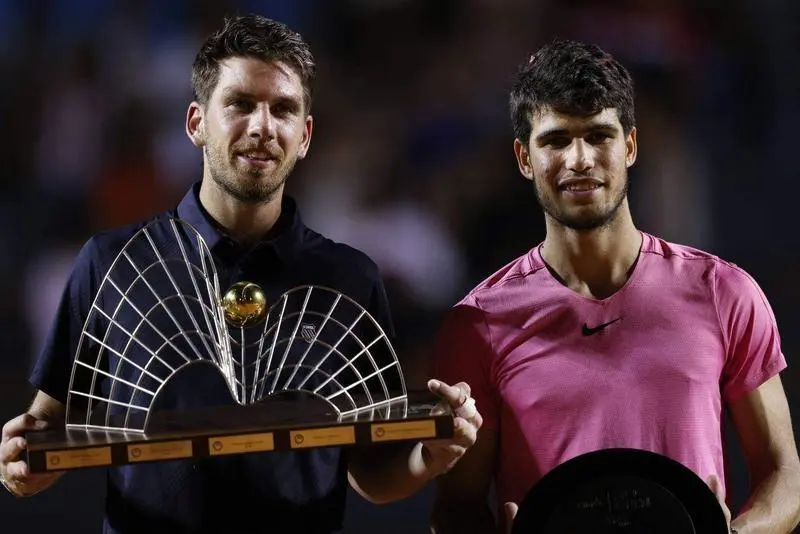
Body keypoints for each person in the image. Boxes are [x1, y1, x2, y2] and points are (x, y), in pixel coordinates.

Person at [0, 14, 482, 534]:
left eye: (283, 109)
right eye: (240, 104)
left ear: (305, 135)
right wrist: (22, 464)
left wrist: (430, 456)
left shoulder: (351, 278)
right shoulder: (109, 263)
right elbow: (47, 430)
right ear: (195, 123)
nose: (262, 126)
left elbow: (369, 473)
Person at [429, 39, 800, 534]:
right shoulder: (478, 324)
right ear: (524, 158)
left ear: (629, 146)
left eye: (598, 136)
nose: (580, 159)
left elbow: (785, 476)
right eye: (556, 140)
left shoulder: (723, 292)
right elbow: (457, 506)